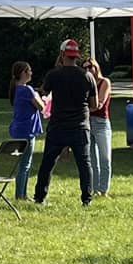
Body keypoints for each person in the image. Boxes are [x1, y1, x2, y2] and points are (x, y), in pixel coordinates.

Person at [33, 39, 99, 206]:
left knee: (48, 163)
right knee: (85, 164)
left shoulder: (54, 75)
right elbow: (94, 104)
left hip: (58, 126)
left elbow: (44, 93)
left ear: (62, 54)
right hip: (80, 126)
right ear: (76, 56)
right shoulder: (88, 76)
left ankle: (40, 197)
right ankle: (87, 198)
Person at [7, 61, 43, 200]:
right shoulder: (27, 90)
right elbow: (40, 107)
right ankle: (21, 195)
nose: (31, 73)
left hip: (18, 129)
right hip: (27, 131)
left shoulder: (16, 89)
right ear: (23, 73)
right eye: (29, 71)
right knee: (25, 165)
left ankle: (22, 194)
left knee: (23, 164)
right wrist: (40, 97)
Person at [86, 57, 115, 198]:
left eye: (90, 67)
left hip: (101, 122)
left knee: (105, 158)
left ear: (96, 68)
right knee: (92, 159)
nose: (88, 70)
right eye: (85, 68)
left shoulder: (104, 82)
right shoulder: (85, 83)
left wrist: (84, 108)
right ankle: (95, 189)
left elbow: (100, 104)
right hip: (87, 122)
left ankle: (104, 190)